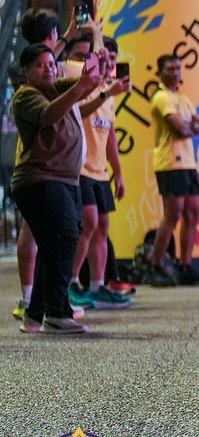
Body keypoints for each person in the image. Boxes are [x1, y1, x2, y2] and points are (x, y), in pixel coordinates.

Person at [11, 44, 105, 333]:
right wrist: (80, 88)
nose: (48, 68)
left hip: (63, 180)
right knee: (64, 240)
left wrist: (95, 64)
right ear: (26, 72)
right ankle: (56, 311)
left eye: (51, 63)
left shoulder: (54, 87)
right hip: (40, 180)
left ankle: (35, 314)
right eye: (40, 65)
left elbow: (85, 84)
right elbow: (49, 115)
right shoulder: (26, 95)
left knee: (55, 247)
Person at [70, 37, 132, 309]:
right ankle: (71, 283)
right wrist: (105, 92)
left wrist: (118, 173)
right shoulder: (84, 89)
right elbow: (78, 111)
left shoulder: (108, 93)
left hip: (100, 171)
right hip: (80, 167)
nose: (109, 65)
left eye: (111, 61)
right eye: (102, 60)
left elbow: (110, 138)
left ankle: (97, 286)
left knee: (102, 227)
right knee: (89, 223)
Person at [145, 54, 199, 286]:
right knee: (173, 214)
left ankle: (186, 265)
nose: (175, 73)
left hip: (188, 163)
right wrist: (191, 126)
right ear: (159, 73)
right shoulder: (161, 97)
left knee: (192, 213)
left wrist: (189, 126)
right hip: (170, 162)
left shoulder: (182, 98)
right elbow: (182, 129)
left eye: (177, 68)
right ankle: (156, 264)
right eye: (169, 69)